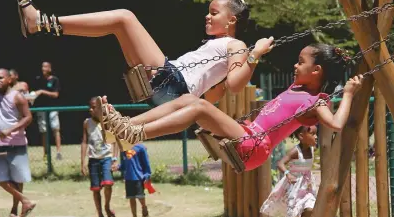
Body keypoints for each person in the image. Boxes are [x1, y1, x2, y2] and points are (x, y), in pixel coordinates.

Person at [97, 43, 363, 171]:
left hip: (255, 146)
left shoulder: (316, 101)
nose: (295, 65)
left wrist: (348, 93)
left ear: (316, 71)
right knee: (190, 100)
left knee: (199, 107)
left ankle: (137, 133)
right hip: (246, 135)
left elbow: (337, 124)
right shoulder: (297, 89)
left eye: (300, 62)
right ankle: (128, 124)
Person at [16, 0, 273, 110]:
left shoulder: (236, 45)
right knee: (117, 26)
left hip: (172, 84)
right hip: (167, 90)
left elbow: (237, 85)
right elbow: (214, 96)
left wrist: (256, 54)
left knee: (125, 18)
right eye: (208, 12)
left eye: (214, 13)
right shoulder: (219, 45)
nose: (207, 17)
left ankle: (40, 22)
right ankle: (41, 23)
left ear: (231, 21)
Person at [260, 125, 318, 217]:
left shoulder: (312, 149)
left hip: (307, 186)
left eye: (316, 134)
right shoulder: (295, 151)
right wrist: (287, 173)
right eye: (313, 134)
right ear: (301, 136)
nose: (316, 137)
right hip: (295, 186)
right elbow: (280, 163)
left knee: (311, 209)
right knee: (292, 216)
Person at [0, 68, 36, 217]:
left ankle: (15, 209)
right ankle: (25, 200)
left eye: (1, 78)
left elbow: (28, 118)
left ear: (9, 80)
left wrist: (10, 130)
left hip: (16, 143)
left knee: (17, 177)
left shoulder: (17, 97)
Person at [81, 97, 118, 217]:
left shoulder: (108, 122)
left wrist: (115, 159)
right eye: (89, 108)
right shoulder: (87, 123)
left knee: (108, 183)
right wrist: (83, 162)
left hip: (107, 157)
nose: (91, 110)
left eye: (93, 107)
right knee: (96, 189)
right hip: (93, 159)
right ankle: (100, 215)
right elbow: (84, 142)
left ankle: (107, 207)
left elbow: (115, 141)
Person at [112, 143, 152, 217]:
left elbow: (146, 163)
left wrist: (147, 174)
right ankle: (134, 216)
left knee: (140, 196)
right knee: (131, 197)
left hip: (138, 176)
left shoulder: (141, 148)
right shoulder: (124, 148)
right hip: (128, 177)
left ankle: (144, 207)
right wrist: (117, 167)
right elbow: (124, 164)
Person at [33, 61, 62, 160]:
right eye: (42, 67)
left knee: (55, 129)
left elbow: (55, 95)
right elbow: (35, 93)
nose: (43, 69)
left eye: (45, 67)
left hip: (52, 108)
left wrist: (42, 92)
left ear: (50, 69)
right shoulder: (38, 80)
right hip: (41, 108)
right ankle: (46, 153)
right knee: (43, 130)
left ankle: (58, 152)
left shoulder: (54, 80)